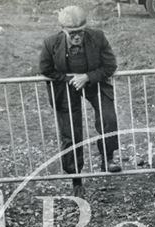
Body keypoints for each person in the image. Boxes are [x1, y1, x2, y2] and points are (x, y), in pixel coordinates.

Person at [39, 5, 121, 196]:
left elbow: (110, 65)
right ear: (63, 30)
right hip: (67, 87)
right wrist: (69, 79)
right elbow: (45, 69)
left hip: (94, 82)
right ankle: (76, 178)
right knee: (71, 132)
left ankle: (108, 158)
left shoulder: (97, 37)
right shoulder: (51, 43)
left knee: (108, 118)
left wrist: (87, 77)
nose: (77, 37)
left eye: (80, 32)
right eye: (72, 33)